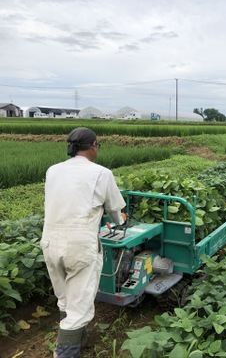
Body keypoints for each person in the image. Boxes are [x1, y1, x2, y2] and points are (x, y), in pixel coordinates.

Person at [40, 127, 126, 358]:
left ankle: (80, 339)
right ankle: (66, 352)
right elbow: (115, 210)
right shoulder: (101, 173)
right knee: (80, 306)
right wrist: (120, 219)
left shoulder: (53, 171)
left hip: (50, 241)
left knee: (66, 298)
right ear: (94, 146)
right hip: (79, 245)